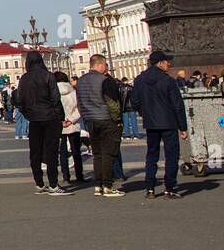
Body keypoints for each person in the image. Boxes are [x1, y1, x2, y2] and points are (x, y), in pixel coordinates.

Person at [131, 50, 188, 199]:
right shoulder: (168, 80)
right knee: (171, 155)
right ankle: (170, 188)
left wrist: (144, 112)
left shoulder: (139, 80)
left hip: (151, 123)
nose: (169, 64)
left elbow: (135, 101)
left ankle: (150, 187)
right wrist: (183, 127)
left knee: (152, 154)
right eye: (166, 62)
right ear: (160, 63)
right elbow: (177, 105)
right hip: (169, 122)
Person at [76, 54, 125, 197]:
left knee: (97, 154)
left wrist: (86, 116)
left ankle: (98, 186)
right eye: (105, 65)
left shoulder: (81, 81)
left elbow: (79, 103)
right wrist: (118, 120)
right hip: (106, 119)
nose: (106, 68)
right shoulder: (105, 81)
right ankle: (108, 186)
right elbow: (113, 104)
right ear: (100, 64)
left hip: (90, 120)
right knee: (108, 154)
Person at [20, 51, 68, 195]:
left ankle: (39, 183)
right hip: (50, 118)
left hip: (34, 119)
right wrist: (60, 117)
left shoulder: (24, 78)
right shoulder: (48, 76)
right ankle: (53, 184)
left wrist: (28, 114)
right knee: (51, 151)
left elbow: (20, 101)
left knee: (35, 152)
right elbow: (55, 98)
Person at [56, 71, 85, 186]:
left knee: (62, 152)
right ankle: (79, 175)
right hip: (73, 125)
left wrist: (61, 121)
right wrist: (71, 120)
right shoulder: (74, 92)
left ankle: (66, 176)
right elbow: (80, 108)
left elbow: (53, 109)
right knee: (76, 151)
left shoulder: (54, 93)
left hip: (60, 125)